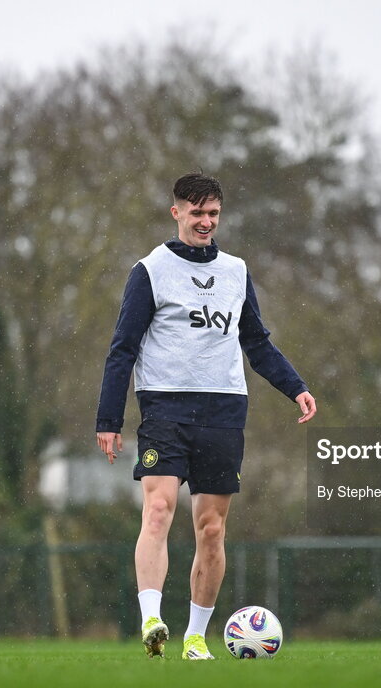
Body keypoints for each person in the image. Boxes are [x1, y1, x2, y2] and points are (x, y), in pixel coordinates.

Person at [96, 173, 316, 660]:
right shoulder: (150, 270)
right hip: (164, 407)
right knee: (157, 509)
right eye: (196, 213)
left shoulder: (236, 271)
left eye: (213, 214)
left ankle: (196, 636)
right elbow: (122, 349)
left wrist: (295, 386)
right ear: (176, 212)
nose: (205, 222)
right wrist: (108, 419)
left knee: (212, 529)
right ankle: (152, 618)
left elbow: (256, 342)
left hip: (222, 409)